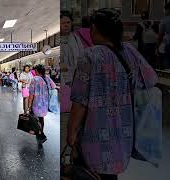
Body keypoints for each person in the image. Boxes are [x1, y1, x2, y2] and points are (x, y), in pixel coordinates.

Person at [67, 8, 157, 180]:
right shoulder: (130, 51)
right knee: (111, 175)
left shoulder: (89, 56)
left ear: (94, 28)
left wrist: (71, 133)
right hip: (124, 130)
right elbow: (150, 79)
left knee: (90, 174)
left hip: (94, 133)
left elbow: (79, 102)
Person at [28, 64, 56, 146]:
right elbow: (53, 86)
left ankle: (41, 136)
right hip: (45, 103)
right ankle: (40, 136)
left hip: (37, 103)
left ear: (37, 71)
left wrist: (29, 106)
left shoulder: (35, 79)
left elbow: (31, 94)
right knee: (41, 119)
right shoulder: (47, 77)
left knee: (35, 120)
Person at [61, 10, 84, 86]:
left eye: (68, 22)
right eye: (63, 23)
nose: (66, 25)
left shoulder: (75, 38)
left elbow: (82, 56)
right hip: (64, 80)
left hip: (76, 79)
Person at [157, 2, 170, 69]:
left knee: (167, 61)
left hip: (168, 43)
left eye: (165, 9)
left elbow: (160, 34)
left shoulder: (165, 19)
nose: (165, 11)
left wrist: (157, 46)